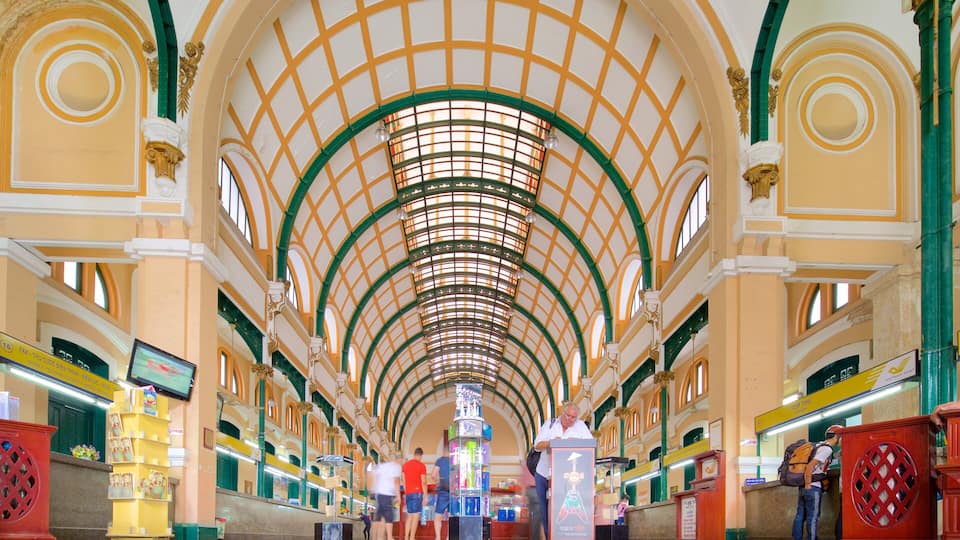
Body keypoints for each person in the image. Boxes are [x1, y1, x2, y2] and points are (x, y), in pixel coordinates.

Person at [533, 401, 593, 540]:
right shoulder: (551, 424)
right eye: (568, 416)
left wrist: (574, 442)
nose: (570, 420)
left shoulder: (581, 427)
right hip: (544, 473)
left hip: (567, 477)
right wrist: (552, 442)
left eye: (574, 417)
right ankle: (549, 536)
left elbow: (590, 446)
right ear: (562, 413)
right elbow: (537, 445)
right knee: (544, 510)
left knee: (562, 509)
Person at [791, 425, 842, 540]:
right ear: (837, 437)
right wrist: (808, 484)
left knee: (800, 516)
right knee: (813, 517)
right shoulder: (827, 449)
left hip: (803, 486)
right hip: (812, 487)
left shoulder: (818, 445)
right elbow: (810, 465)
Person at [372, 454, 403, 540]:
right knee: (389, 516)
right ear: (399, 459)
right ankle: (389, 537)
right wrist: (398, 495)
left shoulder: (381, 466)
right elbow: (396, 481)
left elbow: (375, 477)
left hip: (379, 495)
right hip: (387, 494)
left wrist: (374, 490)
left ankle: (376, 537)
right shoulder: (396, 467)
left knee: (378, 517)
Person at [402, 447, 428, 540]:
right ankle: (412, 537)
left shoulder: (405, 465)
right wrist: (425, 496)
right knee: (416, 516)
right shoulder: (421, 466)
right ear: (421, 456)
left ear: (414, 454)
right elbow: (424, 482)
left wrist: (406, 491)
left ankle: (406, 537)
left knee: (409, 516)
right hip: (417, 493)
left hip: (408, 493)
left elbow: (404, 481)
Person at [431, 444, 451, 540]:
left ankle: (438, 537)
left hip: (442, 491)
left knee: (438, 515)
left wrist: (438, 481)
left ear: (443, 452)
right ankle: (448, 537)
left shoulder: (440, 460)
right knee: (452, 516)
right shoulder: (455, 461)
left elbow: (433, 475)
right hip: (453, 492)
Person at [519, 454, 540, 540]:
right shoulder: (538, 464)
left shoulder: (526, 465)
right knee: (538, 519)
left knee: (533, 518)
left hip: (529, 492)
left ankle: (526, 535)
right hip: (537, 491)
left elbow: (523, 482)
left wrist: (523, 496)